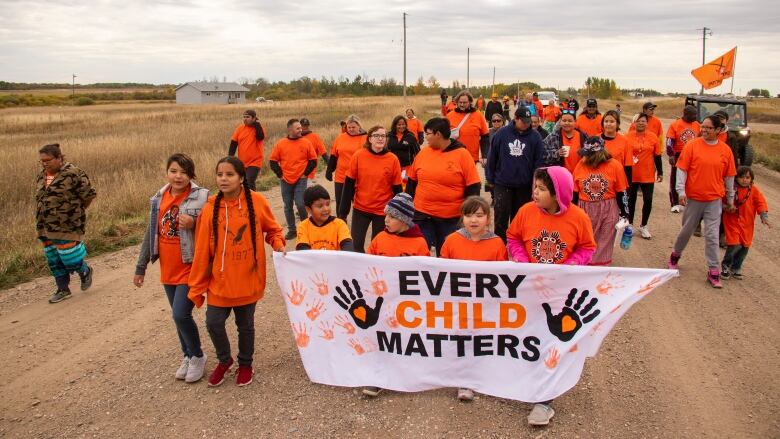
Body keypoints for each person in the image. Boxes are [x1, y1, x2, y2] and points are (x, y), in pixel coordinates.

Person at [506, 166, 596, 426]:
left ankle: (544, 400)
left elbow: (588, 247)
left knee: (551, 340)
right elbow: (513, 238)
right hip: (529, 289)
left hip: (560, 293)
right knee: (526, 336)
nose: (534, 192)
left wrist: (572, 266)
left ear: (558, 193)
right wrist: (523, 261)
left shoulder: (579, 218)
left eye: (542, 189)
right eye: (535, 187)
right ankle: (522, 380)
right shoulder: (525, 212)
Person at [188, 156, 285, 387]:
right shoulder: (210, 207)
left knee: (246, 326)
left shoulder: (257, 201)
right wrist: (197, 285)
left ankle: (245, 364)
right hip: (219, 281)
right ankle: (225, 360)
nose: (223, 179)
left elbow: (273, 230)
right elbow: (202, 250)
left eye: (229, 174)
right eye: (220, 174)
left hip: (247, 279)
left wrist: (279, 243)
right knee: (213, 323)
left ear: (241, 178)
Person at [134, 153, 209, 383]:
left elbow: (214, 227)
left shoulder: (202, 197)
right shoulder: (159, 197)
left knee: (180, 313)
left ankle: (197, 355)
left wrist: (195, 223)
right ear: (167, 172)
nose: (178, 176)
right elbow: (151, 233)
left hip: (190, 265)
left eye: (184, 172)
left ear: (191, 175)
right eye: (174, 171)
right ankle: (186, 355)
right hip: (168, 266)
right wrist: (141, 266)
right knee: (178, 317)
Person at [439, 196, 506, 402]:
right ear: (462, 218)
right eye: (468, 215)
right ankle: (464, 380)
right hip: (459, 305)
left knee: (483, 341)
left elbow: (503, 277)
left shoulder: (496, 244)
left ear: (488, 218)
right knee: (463, 341)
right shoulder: (452, 240)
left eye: (479, 215)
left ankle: (485, 376)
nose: (473, 220)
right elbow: (440, 271)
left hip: (485, 306)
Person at [668, 115, 737, 289]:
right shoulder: (692, 145)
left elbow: (729, 176)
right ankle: (675, 256)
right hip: (694, 198)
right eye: (703, 127)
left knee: (712, 235)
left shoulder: (725, 150)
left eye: (708, 128)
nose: (704, 130)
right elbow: (682, 169)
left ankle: (714, 270)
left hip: (714, 200)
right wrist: (681, 191)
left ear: (718, 130)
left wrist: (730, 199)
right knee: (686, 231)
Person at [406, 117, 481, 256]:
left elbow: (473, 188)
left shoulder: (462, 155)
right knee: (419, 253)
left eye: (428, 133)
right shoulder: (423, 153)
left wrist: (469, 216)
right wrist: (408, 209)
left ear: (438, 134)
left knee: (446, 255)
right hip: (422, 215)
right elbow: (411, 183)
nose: (426, 137)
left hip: (450, 219)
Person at [36, 143, 96, 303]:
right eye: (42, 160)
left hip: (67, 225)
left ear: (59, 158)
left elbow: (88, 195)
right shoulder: (42, 176)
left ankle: (84, 270)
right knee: (53, 259)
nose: (44, 163)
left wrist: (75, 212)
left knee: (69, 256)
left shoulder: (74, 173)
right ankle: (63, 289)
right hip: (45, 226)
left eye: (48, 160)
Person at [338, 125, 403, 252]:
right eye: (376, 136)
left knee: (378, 246)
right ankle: (360, 269)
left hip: (383, 211)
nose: (380, 138)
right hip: (361, 208)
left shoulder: (393, 159)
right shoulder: (358, 156)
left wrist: (399, 214)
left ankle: (374, 271)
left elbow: (397, 189)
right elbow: (349, 185)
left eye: (383, 136)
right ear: (369, 139)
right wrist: (343, 212)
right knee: (356, 245)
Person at [486, 106, 546, 242]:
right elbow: (492, 157)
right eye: (523, 121)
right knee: (501, 216)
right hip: (502, 182)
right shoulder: (502, 134)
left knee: (520, 217)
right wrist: (490, 178)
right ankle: (499, 244)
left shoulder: (535, 137)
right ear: (515, 119)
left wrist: (537, 183)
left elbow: (539, 161)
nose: (526, 124)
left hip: (524, 184)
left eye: (528, 121)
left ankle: (517, 244)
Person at [572, 136, 629, 266]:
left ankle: (600, 270)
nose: (584, 157)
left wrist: (625, 214)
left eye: (588, 155)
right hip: (585, 210)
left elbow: (622, 192)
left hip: (608, 209)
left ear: (597, 154)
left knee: (604, 242)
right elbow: (574, 192)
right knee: (585, 241)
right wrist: (571, 212)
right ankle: (584, 268)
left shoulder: (615, 166)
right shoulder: (581, 165)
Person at [269, 119, 318, 240]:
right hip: (285, 179)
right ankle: (292, 230)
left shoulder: (306, 142)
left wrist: (305, 174)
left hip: (301, 178)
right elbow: (273, 161)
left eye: (301, 128)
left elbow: (313, 160)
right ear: (290, 130)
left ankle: (305, 229)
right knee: (287, 205)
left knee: (301, 204)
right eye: (298, 128)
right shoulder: (281, 144)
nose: (301, 130)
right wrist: (280, 175)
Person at [720, 166, 770, 279]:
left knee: (744, 246)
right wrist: (725, 207)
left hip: (747, 224)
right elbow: (721, 200)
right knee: (734, 244)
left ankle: (736, 268)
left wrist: (763, 215)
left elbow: (760, 202)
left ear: (751, 179)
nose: (745, 180)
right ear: (736, 178)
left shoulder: (754, 190)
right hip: (732, 221)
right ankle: (726, 266)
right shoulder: (731, 189)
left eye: (747, 177)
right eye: (741, 177)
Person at [625, 113, 663, 239]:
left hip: (647, 174)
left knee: (648, 200)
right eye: (638, 121)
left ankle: (643, 225)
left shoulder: (653, 137)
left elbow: (657, 155)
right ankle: (629, 224)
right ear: (634, 123)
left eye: (643, 121)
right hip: (631, 174)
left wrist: (661, 172)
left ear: (647, 123)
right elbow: (623, 155)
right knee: (631, 200)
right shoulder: (627, 137)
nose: (641, 123)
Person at [366, 192, 430, 258]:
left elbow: (425, 267)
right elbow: (368, 263)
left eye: (392, 217)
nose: (386, 220)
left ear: (404, 220)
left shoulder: (420, 244)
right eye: (386, 215)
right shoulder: (379, 238)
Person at [327, 114, 367, 212]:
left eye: (353, 127)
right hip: (341, 177)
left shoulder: (366, 138)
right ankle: (341, 223)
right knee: (340, 204)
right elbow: (333, 156)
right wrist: (329, 170)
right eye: (349, 127)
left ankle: (358, 224)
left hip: (358, 177)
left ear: (359, 126)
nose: (351, 129)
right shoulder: (340, 138)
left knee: (359, 205)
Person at [296, 184, 353, 251]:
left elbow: (347, 244)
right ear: (308, 209)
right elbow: (302, 249)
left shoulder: (339, 224)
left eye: (328, 204)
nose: (326, 209)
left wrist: (348, 251)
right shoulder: (303, 227)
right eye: (320, 206)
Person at [666, 105, 701, 213]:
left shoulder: (698, 125)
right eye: (693, 114)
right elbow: (669, 141)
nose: (695, 116)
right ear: (686, 114)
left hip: (694, 154)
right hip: (679, 154)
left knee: (693, 178)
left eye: (696, 114)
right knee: (676, 178)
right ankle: (675, 203)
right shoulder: (675, 125)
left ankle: (690, 201)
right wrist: (671, 154)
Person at [446, 90, 489, 163]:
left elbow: (485, 136)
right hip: (453, 155)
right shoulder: (449, 116)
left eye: (465, 102)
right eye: (460, 102)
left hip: (471, 157)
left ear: (470, 102)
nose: (462, 105)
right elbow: (443, 137)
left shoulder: (478, 115)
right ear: (457, 102)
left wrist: (485, 155)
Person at [228, 109, 265, 191]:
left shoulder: (258, 128)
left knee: (249, 181)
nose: (245, 119)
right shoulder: (239, 129)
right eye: (244, 117)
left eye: (247, 117)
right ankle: (250, 199)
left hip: (255, 162)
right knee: (242, 183)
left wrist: (257, 124)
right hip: (242, 162)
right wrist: (230, 158)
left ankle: (252, 201)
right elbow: (233, 144)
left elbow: (260, 137)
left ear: (254, 118)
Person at [542, 108, 588, 173]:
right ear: (560, 122)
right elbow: (541, 154)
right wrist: (556, 154)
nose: (566, 123)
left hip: (580, 174)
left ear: (575, 122)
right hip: (561, 175)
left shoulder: (583, 137)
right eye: (564, 120)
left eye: (570, 121)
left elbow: (593, 156)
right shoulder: (553, 137)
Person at [601, 110, 633, 183]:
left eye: (612, 122)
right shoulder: (595, 139)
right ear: (602, 123)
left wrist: (627, 190)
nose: (608, 124)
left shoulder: (625, 141)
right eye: (606, 121)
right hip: (598, 183)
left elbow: (628, 168)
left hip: (618, 182)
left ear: (617, 124)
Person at [387, 115, 421, 186]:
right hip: (392, 168)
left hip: (407, 168)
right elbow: (384, 152)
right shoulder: (388, 136)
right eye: (399, 125)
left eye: (403, 124)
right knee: (392, 186)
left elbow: (418, 153)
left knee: (405, 187)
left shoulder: (410, 136)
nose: (401, 126)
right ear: (395, 125)